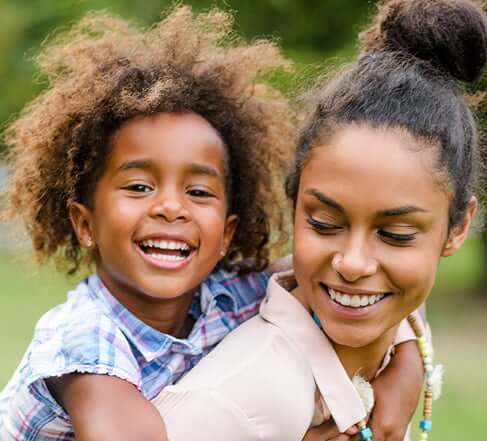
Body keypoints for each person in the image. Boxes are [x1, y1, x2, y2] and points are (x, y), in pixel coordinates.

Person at [0, 5, 427, 441]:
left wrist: (406, 366)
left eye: (199, 192)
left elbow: (352, 280)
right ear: (84, 224)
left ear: (225, 232)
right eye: (139, 187)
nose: (171, 207)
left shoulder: (228, 294)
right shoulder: (84, 341)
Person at [153, 1, 486, 441]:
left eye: (395, 234)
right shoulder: (237, 403)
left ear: (458, 227)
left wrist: (406, 360)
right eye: (325, 224)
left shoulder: (391, 338)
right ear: (293, 206)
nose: (352, 262)